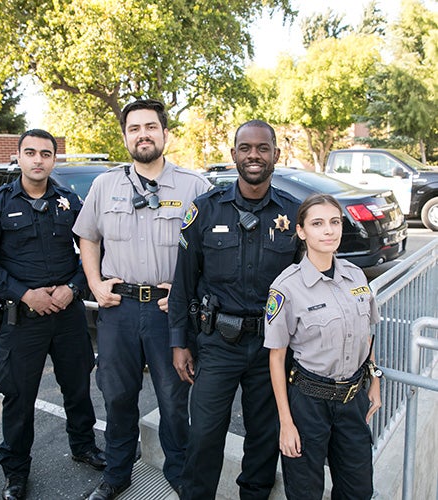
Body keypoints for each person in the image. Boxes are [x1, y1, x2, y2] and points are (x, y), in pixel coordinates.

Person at [73, 99, 211, 500]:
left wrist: (190, 296)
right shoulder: (105, 185)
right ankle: (116, 474)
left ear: (165, 134)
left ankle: (179, 473)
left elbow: (211, 252)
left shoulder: (194, 187)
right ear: (125, 136)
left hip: (170, 312)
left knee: (173, 396)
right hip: (119, 308)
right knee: (117, 395)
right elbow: (88, 237)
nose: (143, 134)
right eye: (135, 128)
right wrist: (95, 283)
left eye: (151, 127)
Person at [0, 129, 105, 500]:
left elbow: (93, 248)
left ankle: (84, 446)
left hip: (67, 314)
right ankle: (15, 472)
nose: (38, 160)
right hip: (22, 320)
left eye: (46, 153)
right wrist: (25, 294)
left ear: (53, 160)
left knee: (77, 387)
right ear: (19, 156)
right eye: (30, 152)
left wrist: (73, 288)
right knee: (18, 396)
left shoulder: (68, 201)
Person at [168, 119, 302, 500]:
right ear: (234, 155)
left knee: (262, 438)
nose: (254, 156)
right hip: (217, 345)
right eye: (246, 148)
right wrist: (180, 342)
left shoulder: (294, 215)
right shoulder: (205, 211)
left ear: (276, 155)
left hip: (270, 349)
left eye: (262, 148)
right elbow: (183, 282)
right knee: (205, 434)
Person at [265, 193, 382, 500]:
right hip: (308, 404)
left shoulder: (356, 276)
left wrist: (375, 378)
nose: (329, 231)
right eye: (317, 224)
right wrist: (286, 423)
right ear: (301, 231)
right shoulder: (286, 287)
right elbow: (276, 359)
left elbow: (366, 332)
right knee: (305, 491)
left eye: (334, 222)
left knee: (358, 489)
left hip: (353, 399)